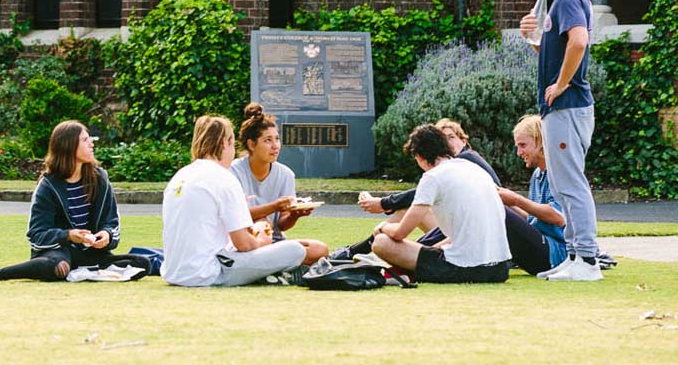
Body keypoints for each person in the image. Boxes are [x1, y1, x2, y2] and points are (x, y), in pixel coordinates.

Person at [0, 120, 147, 282]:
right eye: (85, 140)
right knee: (57, 267)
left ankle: (81, 271)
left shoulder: (100, 178)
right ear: (69, 146)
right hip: (56, 252)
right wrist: (69, 235)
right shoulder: (48, 186)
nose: (91, 144)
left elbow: (111, 222)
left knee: (142, 264)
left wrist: (106, 235)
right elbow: (36, 234)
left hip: (89, 253)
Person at [519, 0, 601, 282]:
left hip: (568, 107)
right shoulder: (563, 0)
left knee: (570, 183)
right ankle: (573, 256)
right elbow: (558, 52)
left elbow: (579, 42)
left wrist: (562, 84)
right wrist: (533, 40)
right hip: (561, 108)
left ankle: (587, 259)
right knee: (563, 181)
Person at [161, 115, 318, 287]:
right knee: (294, 250)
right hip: (209, 273)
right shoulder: (224, 178)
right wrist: (262, 241)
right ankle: (273, 275)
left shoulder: (180, 176)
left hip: (172, 272)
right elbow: (244, 244)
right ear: (224, 143)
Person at [370, 124, 511, 284]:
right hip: (500, 269)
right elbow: (462, 235)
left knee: (381, 242)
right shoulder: (474, 169)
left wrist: (382, 227)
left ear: (419, 157)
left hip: (464, 268)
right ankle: (405, 270)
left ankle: (404, 271)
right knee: (430, 249)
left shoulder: (433, 177)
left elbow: (399, 233)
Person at [337, 119, 498, 258]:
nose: (450, 142)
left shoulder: (450, 169)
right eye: (445, 138)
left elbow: (403, 228)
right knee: (404, 224)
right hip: (490, 252)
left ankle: (357, 252)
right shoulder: (465, 166)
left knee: (383, 242)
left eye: (452, 137)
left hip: (472, 254)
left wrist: (383, 223)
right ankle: (356, 252)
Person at [229, 102, 329, 261]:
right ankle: (278, 265)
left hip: (275, 243)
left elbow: (281, 225)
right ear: (251, 144)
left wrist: (294, 215)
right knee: (263, 222)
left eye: (277, 139)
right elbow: (235, 216)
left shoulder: (285, 174)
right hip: (245, 242)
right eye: (267, 140)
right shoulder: (233, 172)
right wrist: (274, 206)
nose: (275, 146)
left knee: (319, 249)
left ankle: (270, 265)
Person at [497, 115, 569, 277]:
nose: (519, 153)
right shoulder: (537, 174)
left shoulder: (557, 172)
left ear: (541, 142)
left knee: (497, 211)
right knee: (496, 207)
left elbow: (558, 217)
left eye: (523, 145)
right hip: (542, 248)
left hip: (555, 254)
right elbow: (533, 218)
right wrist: (508, 202)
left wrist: (516, 200)